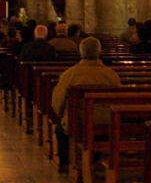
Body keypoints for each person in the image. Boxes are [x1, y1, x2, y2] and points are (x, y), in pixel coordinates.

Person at [50, 37, 121, 172]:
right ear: (99, 52)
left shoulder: (70, 74)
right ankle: (93, 159)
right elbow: (118, 99)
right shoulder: (111, 75)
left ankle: (66, 163)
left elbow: (57, 102)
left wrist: (60, 114)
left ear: (81, 52)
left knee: (60, 129)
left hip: (78, 122)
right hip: (107, 122)